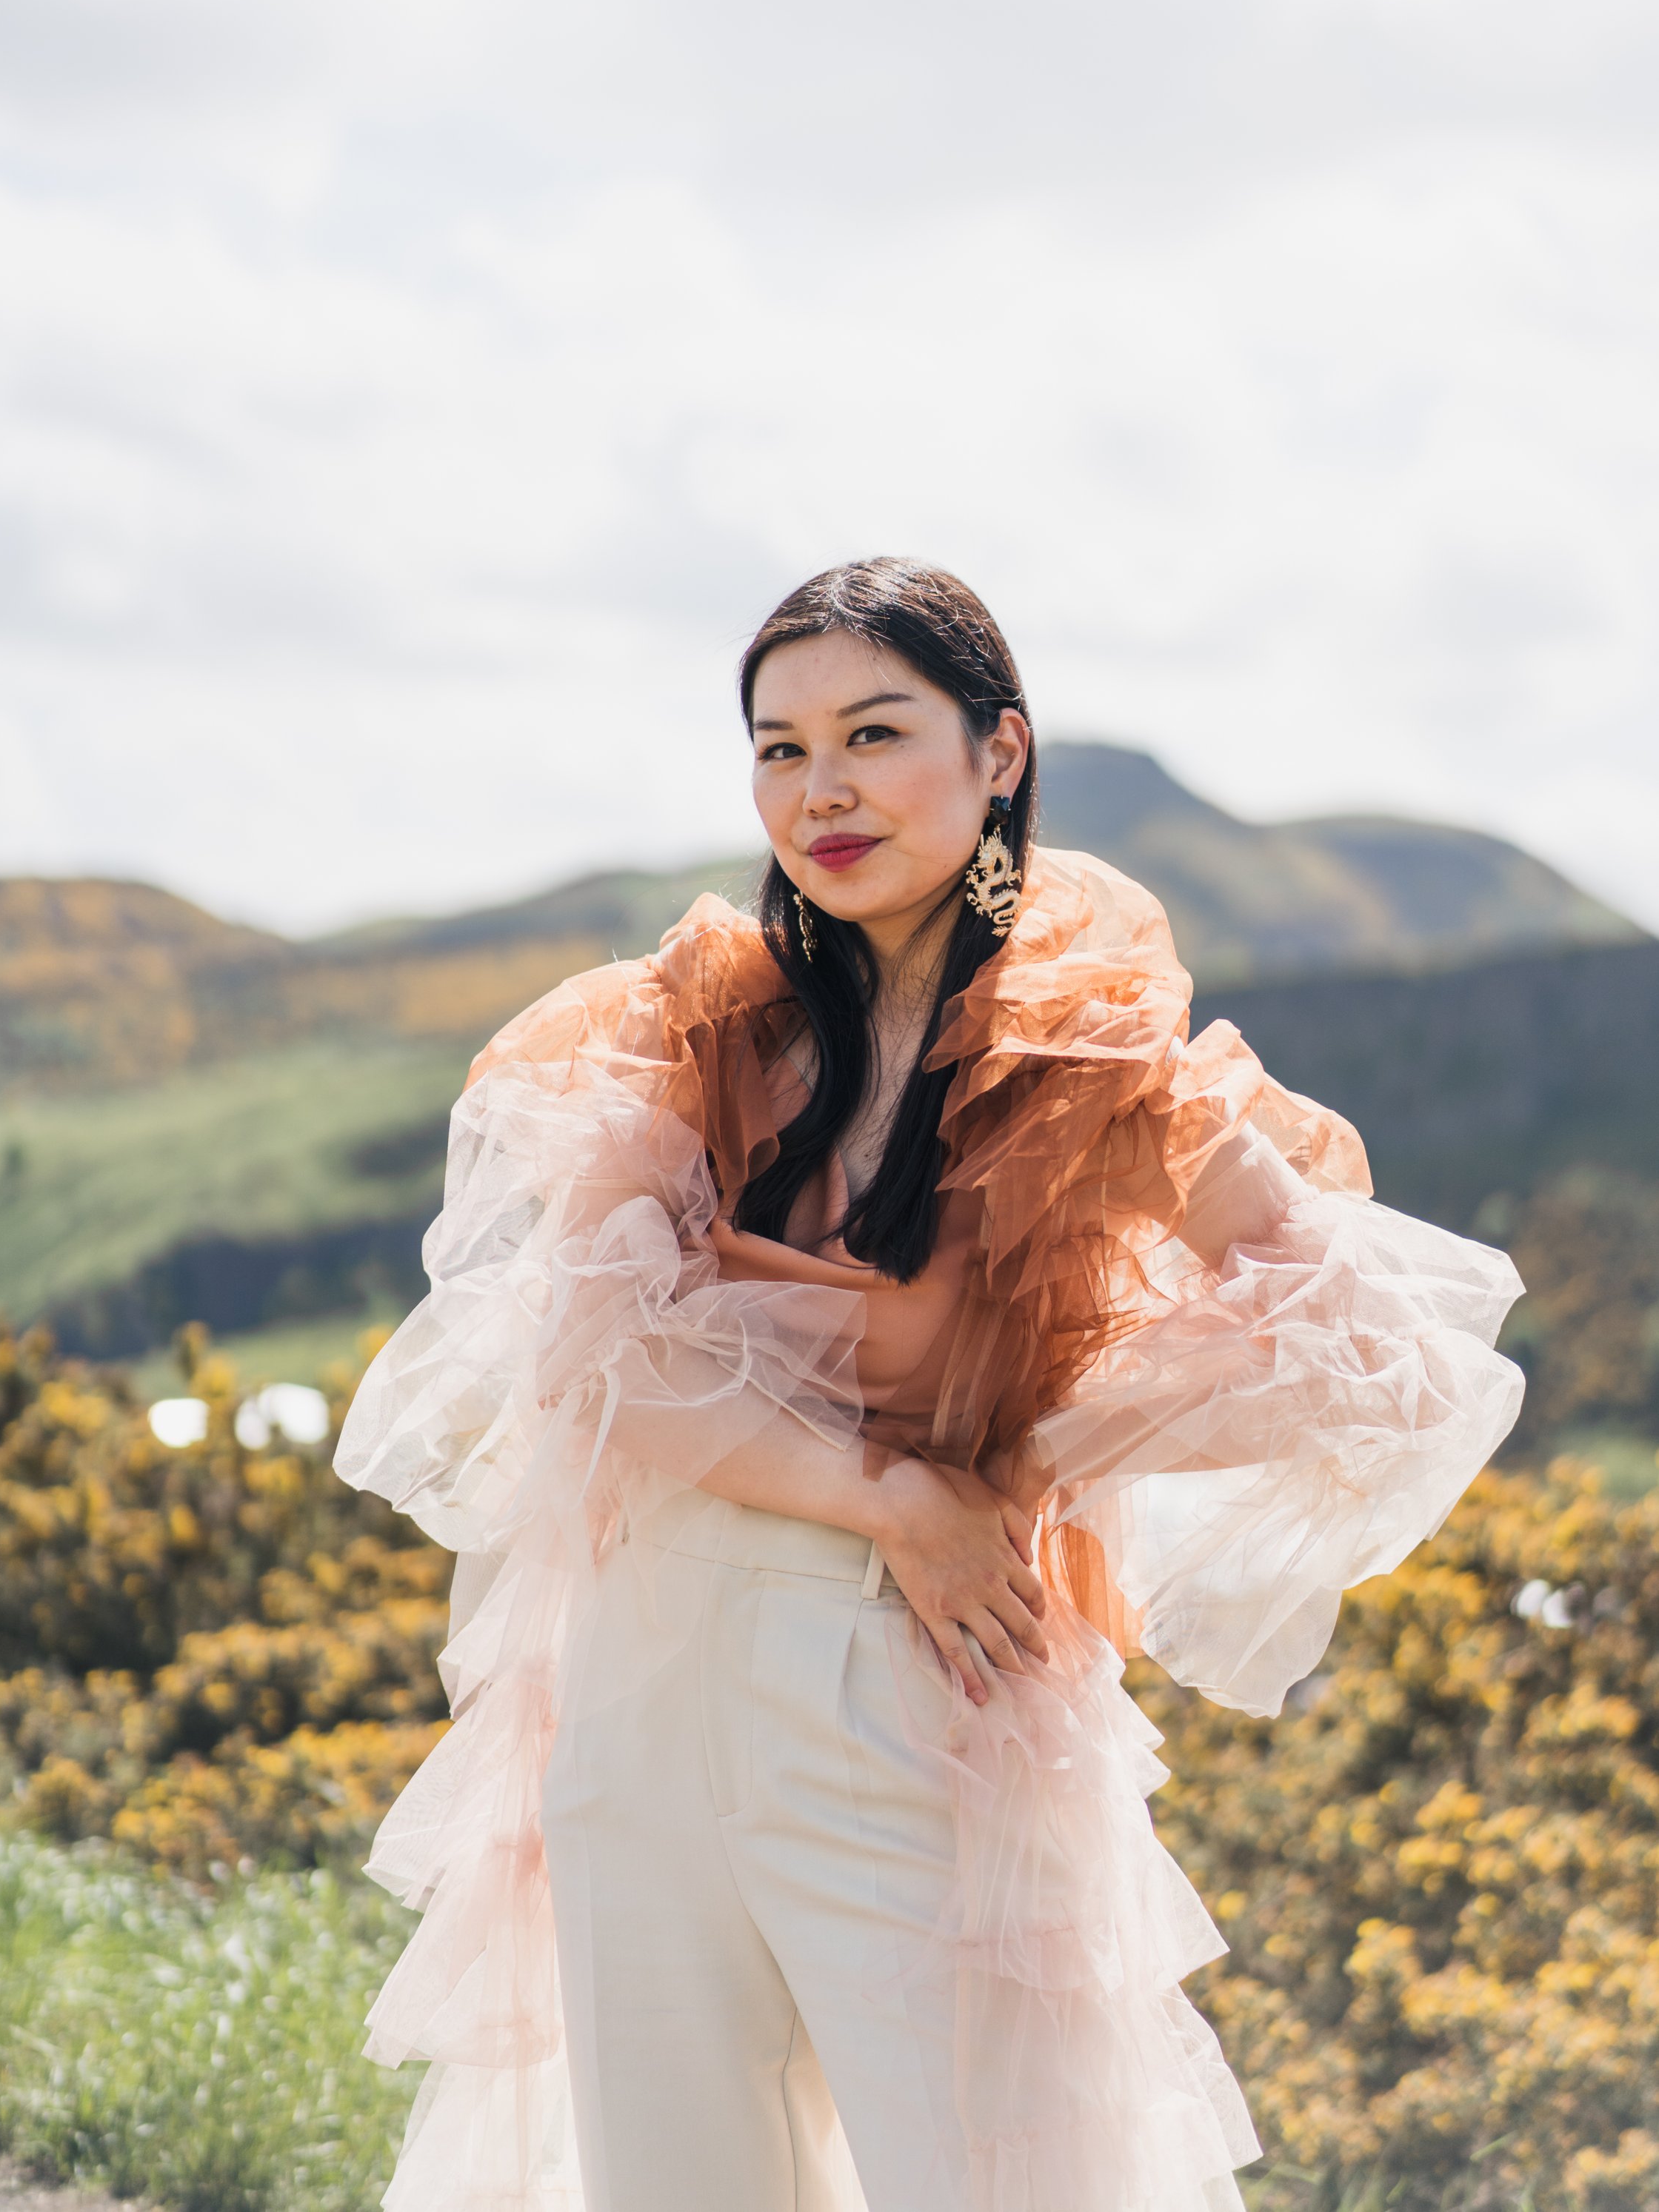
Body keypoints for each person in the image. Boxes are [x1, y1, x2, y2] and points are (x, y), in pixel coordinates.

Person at [336, 557, 1524, 2212]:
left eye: (872, 733)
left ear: (999, 755)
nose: (817, 791)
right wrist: (890, 1490)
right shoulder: (695, 1024)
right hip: (637, 1685)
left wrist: (1039, 1452)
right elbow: (590, 1352)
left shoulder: (1099, 1057)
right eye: (776, 748)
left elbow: (1380, 1360)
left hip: (916, 1696)